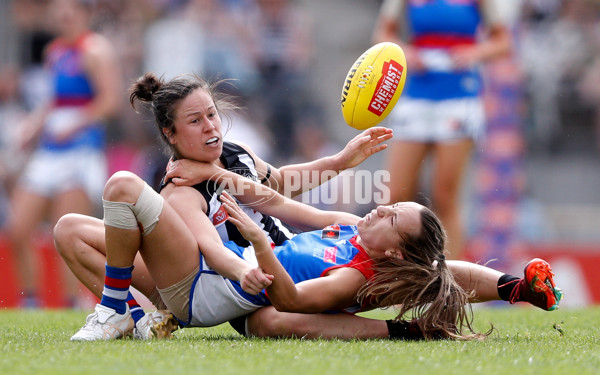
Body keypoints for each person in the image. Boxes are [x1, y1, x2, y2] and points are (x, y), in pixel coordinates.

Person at [54, 72, 393, 338]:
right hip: (227, 279)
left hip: (273, 267)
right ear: (170, 134)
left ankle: (131, 315)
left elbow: (281, 182)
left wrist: (341, 161)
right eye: (195, 121)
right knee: (69, 229)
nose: (210, 126)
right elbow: (212, 250)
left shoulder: (235, 154)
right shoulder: (181, 189)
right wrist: (246, 273)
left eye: (212, 114)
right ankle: (134, 316)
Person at [68, 165, 562, 341]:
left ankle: (402, 333)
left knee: (271, 324)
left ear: (393, 252)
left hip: (247, 287)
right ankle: (139, 316)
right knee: (71, 231)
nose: (380, 207)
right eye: (390, 205)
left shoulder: (358, 274)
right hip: (229, 271)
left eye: (391, 218)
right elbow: (280, 201)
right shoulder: (353, 229)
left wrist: (260, 245)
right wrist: (218, 178)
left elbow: (294, 302)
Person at [372, 0, 512, 260]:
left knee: (444, 197)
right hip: (415, 96)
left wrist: (474, 54)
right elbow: (383, 33)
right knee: (393, 196)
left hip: (459, 98)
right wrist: (404, 52)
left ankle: (448, 285)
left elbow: (502, 42)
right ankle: (395, 282)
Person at [8, 0, 122, 307]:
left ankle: (73, 301)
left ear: (84, 14)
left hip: (80, 151)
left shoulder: (95, 50)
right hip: (49, 150)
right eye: (60, 11)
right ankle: (29, 302)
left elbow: (109, 101)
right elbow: (52, 101)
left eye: (71, 10)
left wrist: (75, 124)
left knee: (66, 230)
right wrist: (32, 127)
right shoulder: (54, 52)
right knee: (18, 228)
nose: (64, 16)